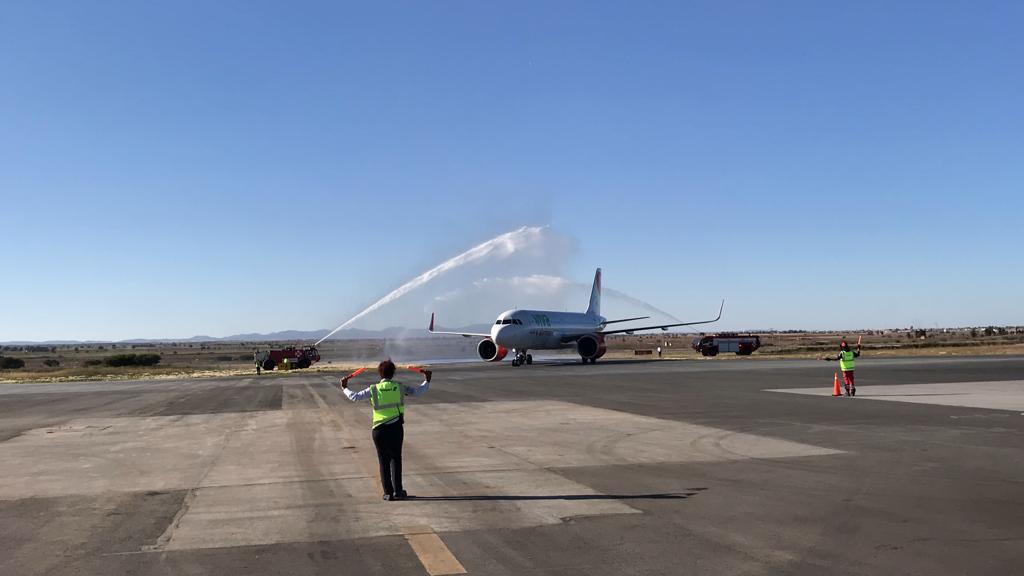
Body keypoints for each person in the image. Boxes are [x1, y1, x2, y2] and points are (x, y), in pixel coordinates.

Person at [340, 360, 431, 501]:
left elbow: (355, 397)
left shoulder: (374, 389)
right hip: (395, 428)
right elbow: (417, 391)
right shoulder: (399, 387)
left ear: (379, 373)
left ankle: (388, 493)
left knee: (383, 461)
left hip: (379, 430)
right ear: (393, 373)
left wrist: (345, 387)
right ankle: (398, 491)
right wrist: (427, 380)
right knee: (396, 458)